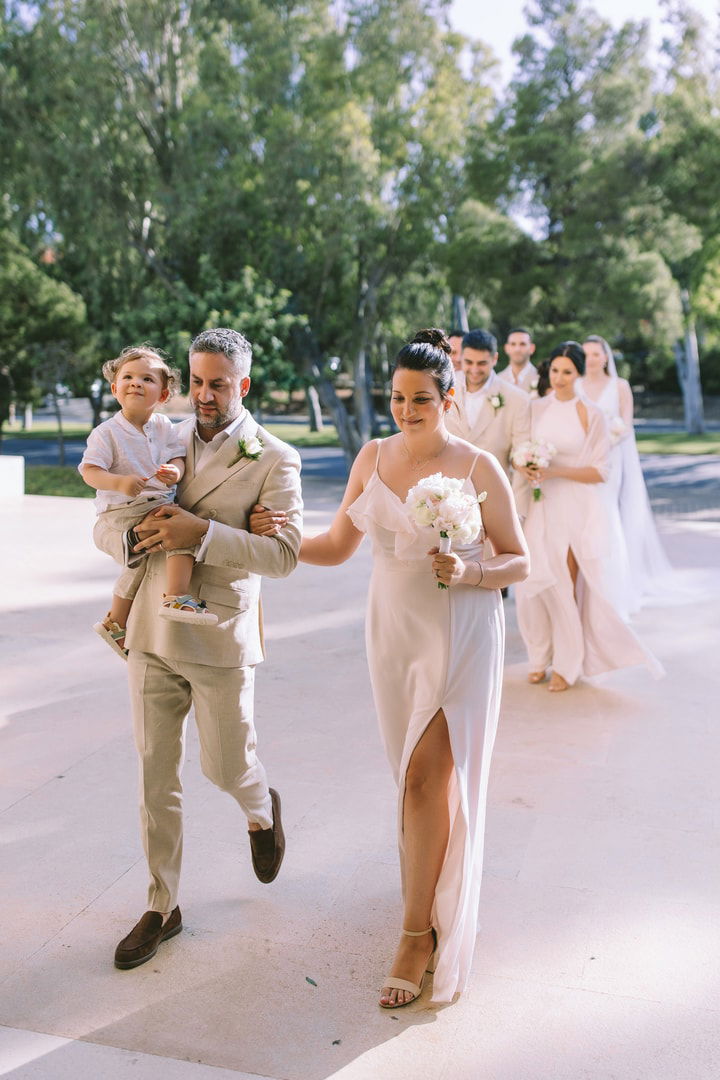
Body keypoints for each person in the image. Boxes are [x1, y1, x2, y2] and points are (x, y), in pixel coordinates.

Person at [252, 329, 529, 1008]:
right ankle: (427, 893)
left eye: (421, 399)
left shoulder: (478, 467)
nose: (406, 410)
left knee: (425, 778)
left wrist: (471, 571)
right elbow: (336, 545)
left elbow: (518, 559)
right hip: (393, 634)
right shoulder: (372, 456)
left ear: (448, 399)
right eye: (397, 398)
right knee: (412, 782)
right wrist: (274, 536)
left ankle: (415, 935)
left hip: (461, 630)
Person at [109, 327, 303, 971]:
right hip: (152, 630)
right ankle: (161, 905)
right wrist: (134, 538)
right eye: (195, 382)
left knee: (225, 768)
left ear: (243, 384)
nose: (203, 395)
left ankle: (260, 808)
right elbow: (106, 519)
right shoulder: (155, 437)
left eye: (217, 384)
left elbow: (283, 556)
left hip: (219, 634)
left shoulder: (275, 458)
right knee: (154, 774)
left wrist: (206, 533)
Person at [515, 342, 663, 692]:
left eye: (567, 372)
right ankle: (539, 655)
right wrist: (526, 465)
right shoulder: (535, 408)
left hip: (576, 508)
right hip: (540, 504)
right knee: (532, 583)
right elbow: (518, 451)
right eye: (555, 371)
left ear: (579, 374)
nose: (559, 378)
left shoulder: (592, 414)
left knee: (564, 585)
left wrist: (555, 471)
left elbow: (601, 471)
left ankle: (567, 665)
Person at [80, 346, 218, 661]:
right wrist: (119, 482)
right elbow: (89, 471)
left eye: (147, 379)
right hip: (122, 509)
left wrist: (175, 472)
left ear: (163, 394)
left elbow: (177, 457)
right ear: (114, 389)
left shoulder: (164, 427)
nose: (136, 383)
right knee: (180, 532)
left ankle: (115, 623)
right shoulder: (107, 433)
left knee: (139, 564)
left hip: (154, 502)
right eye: (127, 377)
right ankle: (177, 596)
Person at [577, 335, 672, 607]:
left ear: (606, 357)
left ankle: (614, 587)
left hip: (610, 459)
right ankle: (586, 581)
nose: (591, 359)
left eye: (596, 354)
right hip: (580, 459)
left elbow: (625, 426)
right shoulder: (576, 384)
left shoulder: (619, 386)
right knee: (582, 514)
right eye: (586, 354)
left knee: (606, 512)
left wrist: (603, 443)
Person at [445, 328, 531, 517]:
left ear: (495, 359)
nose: (474, 369)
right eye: (469, 362)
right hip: (447, 500)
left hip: (495, 501)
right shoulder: (444, 388)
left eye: (482, 363)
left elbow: (521, 459)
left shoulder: (517, 399)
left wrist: (517, 512)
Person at [497, 327, 538, 393]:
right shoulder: (498, 380)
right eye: (513, 344)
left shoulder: (541, 378)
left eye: (522, 344)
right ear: (506, 348)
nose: (517, 349)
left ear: (532, 348)